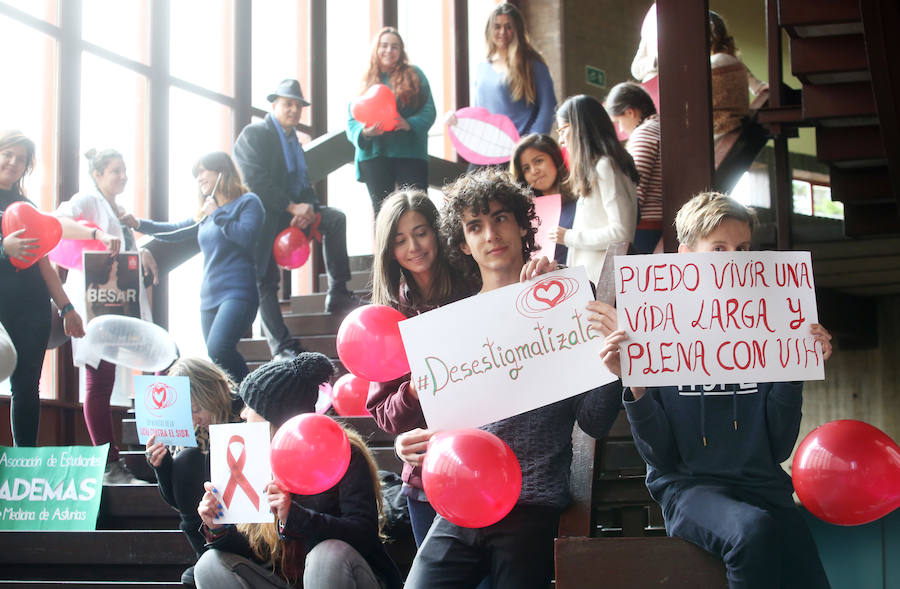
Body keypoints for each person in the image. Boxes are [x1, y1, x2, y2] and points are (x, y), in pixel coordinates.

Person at [592, 191, 832, 589]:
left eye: (743, 248)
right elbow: (660, 457)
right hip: (690, 491)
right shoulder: (654, 331)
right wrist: (635, 381)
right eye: (718, 248)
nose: (734, 259)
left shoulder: (774, 326)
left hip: (764, 486)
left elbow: (779, 448)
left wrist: (795, 366)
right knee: (751, 531)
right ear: (687, 256)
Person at [401, 168, 622, 589]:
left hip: (531, 504)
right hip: (460, 503)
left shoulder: (567, 297)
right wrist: (409, 443)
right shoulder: (452, 323)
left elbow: (594, 421)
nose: (491, 234)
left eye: (500, 218)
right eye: (475, 226)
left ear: (523, 224)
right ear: (463, 244)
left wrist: (613, 372)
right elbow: (445, 424)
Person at [193, 353, 403, 589]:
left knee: (326, 554)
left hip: (349, 574)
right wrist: (218, 528)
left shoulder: (342, 453)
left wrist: (295, 516)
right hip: (287, 581)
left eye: (250, 406)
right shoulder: (252, 457)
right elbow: (256, 553)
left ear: (275, 418)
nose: (242, 414)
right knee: (209, 565)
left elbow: (363, 536)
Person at [365, 190, 473, 547]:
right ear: (389, 251)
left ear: (439, 232)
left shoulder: (475, 287)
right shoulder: (388, 317)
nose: (413, 246)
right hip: (425, 478)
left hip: (482, 461)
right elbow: (383, 413)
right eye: (400, 240)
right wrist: (411, 391)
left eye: (421, 232)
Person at [234, 79, 359, 362]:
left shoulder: (293, 143)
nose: (293, 109)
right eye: (287, 103)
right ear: (274, 105)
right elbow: (254, 181)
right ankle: (280, 346)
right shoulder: (254, 135)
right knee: (265, 280)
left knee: (335, 219)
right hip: (263, 216)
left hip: (292, 215)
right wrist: (292, 207)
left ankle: (338, 291)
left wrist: (309, 210)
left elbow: (304, 184)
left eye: (297, 105)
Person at [55, 147, 155, 484]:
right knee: (98, 380)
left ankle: (131, 458)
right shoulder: (88, 200)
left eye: (124, 170)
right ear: (97, 174)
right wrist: (96, 234)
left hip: (119, 302)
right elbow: (57, 223)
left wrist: (143, 252)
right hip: (96, 303)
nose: (123, 176)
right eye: (115, 170)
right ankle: (108, 464)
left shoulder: (117, 208)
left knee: (131, 371)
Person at [126, 152, 264, 383]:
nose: (199, 178)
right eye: (196, 174)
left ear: (222, 171)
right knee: (215, 357)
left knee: (220, 348)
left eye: (203, 171)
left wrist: (218, 214)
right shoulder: (206, 214)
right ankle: (237, 409)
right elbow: (174, 231)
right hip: (210, 296)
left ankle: (252, 398)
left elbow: (246, 237)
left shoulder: (248, 202)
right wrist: (139, 224)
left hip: (238, 292)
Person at [0, 130, 85, 446]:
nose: (12, 162)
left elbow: (44, 264)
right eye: (7, 154)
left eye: (20, 159)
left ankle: (25, 462)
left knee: (26, 386)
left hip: (32, 308)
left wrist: (67, 308)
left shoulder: (26, 205)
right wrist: (2, 248)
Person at [145, 357, 244, 587]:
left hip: (245, 519)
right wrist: (163, 467)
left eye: (197, 409)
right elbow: (178, 501)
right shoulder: (187, 428)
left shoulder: (243, 412)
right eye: (186, 413)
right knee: (186, 459)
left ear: (212, 393)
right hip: (207, 525)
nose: (193, 419)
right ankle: (208, 557)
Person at [448, 2, 555, 163]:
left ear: (517, 29)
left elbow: (548, 107)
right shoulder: (482, 68)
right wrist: (456, 119)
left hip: (519, 150)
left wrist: (531, 144)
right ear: (490, 31)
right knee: (470, 186)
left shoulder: (532, 64)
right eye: (497, 26)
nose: (502, 32)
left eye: (508, 26)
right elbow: (479, 111)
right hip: (488, 150)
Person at [347, 27, 436, 214]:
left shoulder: (415, 74)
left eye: (395, 47)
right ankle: (385, 246)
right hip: (374, 156)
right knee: (383, 216)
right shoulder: (364, 80)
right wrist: (364, 132)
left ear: (401, 51)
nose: (389, 50)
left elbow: (429, 111)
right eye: (384, 45)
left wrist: (408, 123)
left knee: (418, 211)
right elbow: (351, 120)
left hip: (410, 153)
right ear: (376, 49)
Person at [554, 95, 639, 282]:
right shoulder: (598, 166)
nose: (561, 139)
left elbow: (620, 233)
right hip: (595, 278)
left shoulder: (605, 166)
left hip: (605, 278)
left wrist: (568, 236)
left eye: (563, 130)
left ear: (580, 127)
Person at [605, 82, 662, 254]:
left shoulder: (644, 133)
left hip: (647, 227)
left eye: (619, 121)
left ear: (630, 112)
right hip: (660, 224)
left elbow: (635, 188)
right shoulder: (661, 128)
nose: (621, 129)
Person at [509, 133, 576, 265]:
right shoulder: (526, 214)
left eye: (538, 161)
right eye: (526, 168)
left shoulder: (580, 198)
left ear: (555, 158)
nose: (534, 171)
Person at [709, 11, 768, 146]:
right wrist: (758, 86)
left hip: (718, 130)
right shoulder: (730, 60)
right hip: (730, 128)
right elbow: (757, 85)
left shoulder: (715, 63)